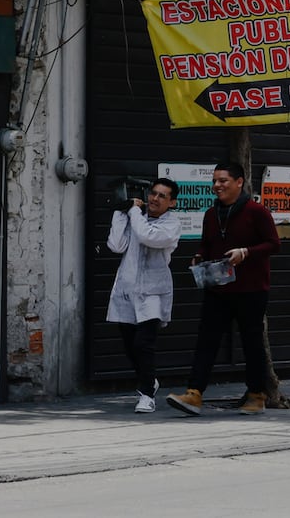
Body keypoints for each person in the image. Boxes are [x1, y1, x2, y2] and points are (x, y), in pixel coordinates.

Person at [166, 162, 281, 417]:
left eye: (223, 180)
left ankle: (256, 395)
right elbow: (207, 244)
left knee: (252, 343)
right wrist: (199, 255)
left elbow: (274, 244)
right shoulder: (211, 213)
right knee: (207, 340)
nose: (217, 185)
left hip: (251, 289)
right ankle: (194, 393)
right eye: (215, 180)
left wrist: (246, 252)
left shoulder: (256, 211)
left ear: (239, 182)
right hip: (217, 288)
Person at [106, 177, 181, 413]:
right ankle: (149, 380)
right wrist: (121, 212)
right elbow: (116, 245)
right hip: (127, 291)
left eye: (161, 196)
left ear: (172, 203)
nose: (154, 199)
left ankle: (147, 395)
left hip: (153, 292)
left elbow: (148, 236)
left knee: (144, 343)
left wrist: (134, 213)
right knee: (130, 344)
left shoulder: (171, 224)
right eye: (153, 193)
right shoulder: (135, 217)